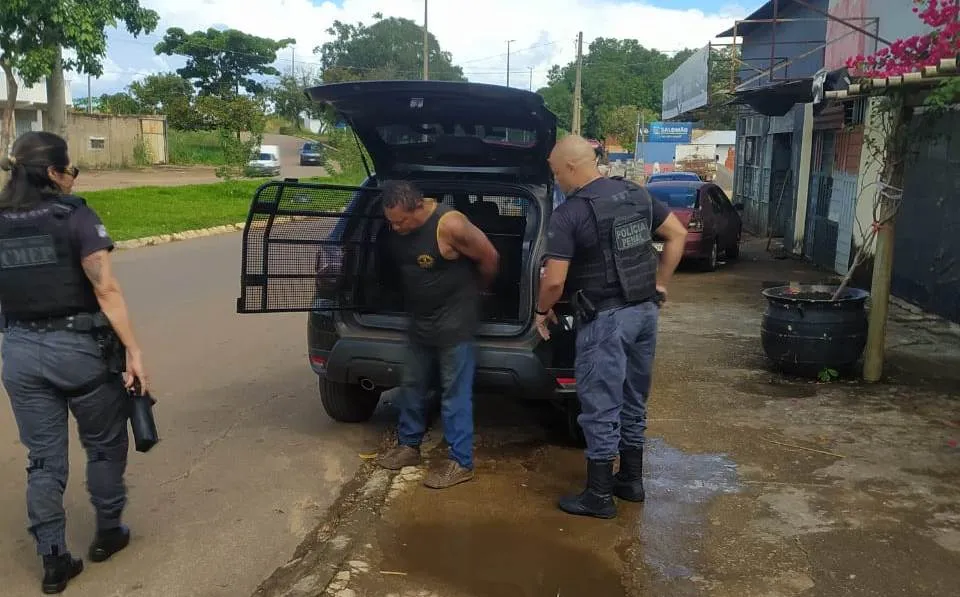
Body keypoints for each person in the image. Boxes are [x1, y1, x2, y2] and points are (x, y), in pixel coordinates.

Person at [0, 132, 149, 593]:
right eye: (70, 170)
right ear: (52, 172)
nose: (73, 178)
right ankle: (108, 532)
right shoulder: (75, 216)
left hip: (19, 353)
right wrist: (134, 351)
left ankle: (53, 560)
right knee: (103, 444)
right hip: (79, 352)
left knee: (43, 460)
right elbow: (106, 289)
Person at [534, 134, 688, 519]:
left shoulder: (570, 213)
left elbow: (554, 282)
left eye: (555, 172)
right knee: (633, 398)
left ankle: (599, 495)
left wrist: (541, 311)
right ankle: (631, 481)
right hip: (644, 312)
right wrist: (660, 283)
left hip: (607, 320)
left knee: (600, 404)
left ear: (571, 167)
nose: (555, 179)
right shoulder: (635, 194)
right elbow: (677, 235)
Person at [374, 181, 499, 490]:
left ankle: (461, 462)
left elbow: (490, 257)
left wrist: (480, 292)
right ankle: (408, 446)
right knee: (412, 385)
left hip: (455, 322)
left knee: (454, 393)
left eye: (400, 221)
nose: (395, 228)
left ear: (417, 207)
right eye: (390, 222)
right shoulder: (397, 226)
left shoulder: (450, 225)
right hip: (420, 320)